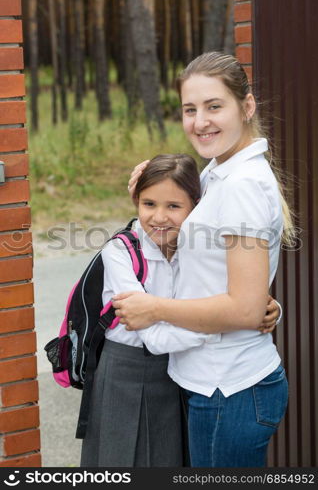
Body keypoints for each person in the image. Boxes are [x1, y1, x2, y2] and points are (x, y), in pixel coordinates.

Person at [112, 51, 291, 467]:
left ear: (246, 107)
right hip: (221, 383)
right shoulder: (217, 172)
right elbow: (205, 262)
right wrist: (155, 198)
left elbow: (244, 308)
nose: (200, 121)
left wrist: (152, 307)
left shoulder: (240, 185)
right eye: (190, 109)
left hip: (229, 388)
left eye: (214, 106)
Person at [81, 153, 280, 468]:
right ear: (136, 202)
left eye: (174, 206)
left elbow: (236, 294)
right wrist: (232, 321)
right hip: (126, 371)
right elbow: (157, 340)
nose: (159, 217)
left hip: (177, 374)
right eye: (149, 204)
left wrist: (259, 308)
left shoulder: (196, 248)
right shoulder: (120, 252)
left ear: (196, 207)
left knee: (172, 460)